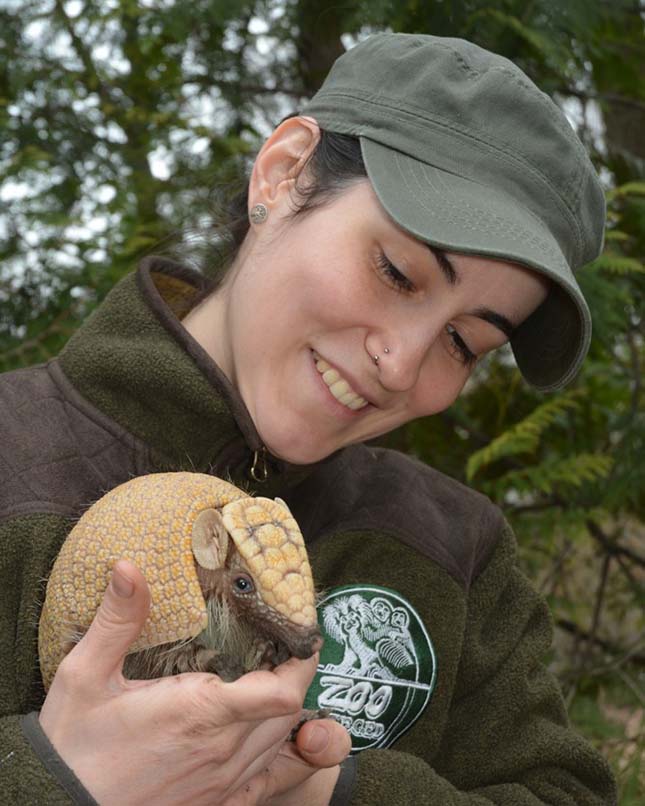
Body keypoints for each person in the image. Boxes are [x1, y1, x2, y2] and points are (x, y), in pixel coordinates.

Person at [0, 32, 618, 805]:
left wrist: (322, 786)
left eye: (465, 343)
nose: (401, 364)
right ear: (282, 173)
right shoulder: (13, 460)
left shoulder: (453, 550)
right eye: (397, 272)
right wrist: (49, 778)